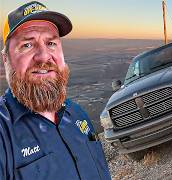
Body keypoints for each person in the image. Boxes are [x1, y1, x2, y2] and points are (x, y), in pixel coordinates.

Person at [0, 1, 111, 179]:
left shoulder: (77, 115)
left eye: (51, 43)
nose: (44, 56)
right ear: (6, 59)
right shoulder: (4, 133)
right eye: (27, 45)